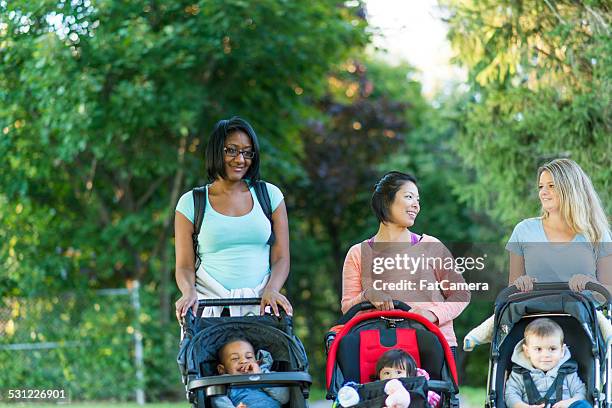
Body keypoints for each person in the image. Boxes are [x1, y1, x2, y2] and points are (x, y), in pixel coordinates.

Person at [174, 117, 292, 319]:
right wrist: (188, 292)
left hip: (260, 306)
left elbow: (281, 258)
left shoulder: (270, 196)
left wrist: (272, 289)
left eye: (247, 152)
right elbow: (184, 265)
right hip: (210, 309)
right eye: (231, 150)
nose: (240, 159)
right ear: (216, 151)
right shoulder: (191, 203)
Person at [341, 171, 470, 351]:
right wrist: (368, 295)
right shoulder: (358, 253)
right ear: (386, 201)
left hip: (432, 345)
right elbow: (347, 308)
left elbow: (461, 294)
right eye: (409, 197)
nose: (416, 205)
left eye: (418, 200)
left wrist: (431, 314)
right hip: (379, 348)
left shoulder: (432, 246)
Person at [507, 159, 611, 295]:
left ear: (569, 188)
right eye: (541, 186)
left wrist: (591, 284)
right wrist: (520, 284)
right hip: (535, 314)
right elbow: (511, 293)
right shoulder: (523, 231)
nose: (543, 192)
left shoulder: (597, 233)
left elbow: (609, 291)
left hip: (585, 314)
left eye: (551, 186)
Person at [505, 318, 588, 408]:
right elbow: (511, 396)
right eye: (538, 349)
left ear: (562, 351)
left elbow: (581, 392)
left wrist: (570, 402)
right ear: (527, 351)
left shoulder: (568, 372)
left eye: (552, 349)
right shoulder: (519, 373)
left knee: (583, 405)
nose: (546, 355)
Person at [212, 337, 289, 408]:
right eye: (235, 358)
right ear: (222, 369)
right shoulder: (224, 384)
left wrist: (261, 376)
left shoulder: (266, 374)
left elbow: (284, 398)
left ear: (257, 362)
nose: (244, 361)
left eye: (249, 357)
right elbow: (218, 402)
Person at [376, 349, 440, 407]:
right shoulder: (375, 392)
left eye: (398, 372)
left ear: (410, 374)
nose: (392, 377)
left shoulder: (422, 390)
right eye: (387, 373)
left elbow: (438, 403)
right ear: (379, 376)